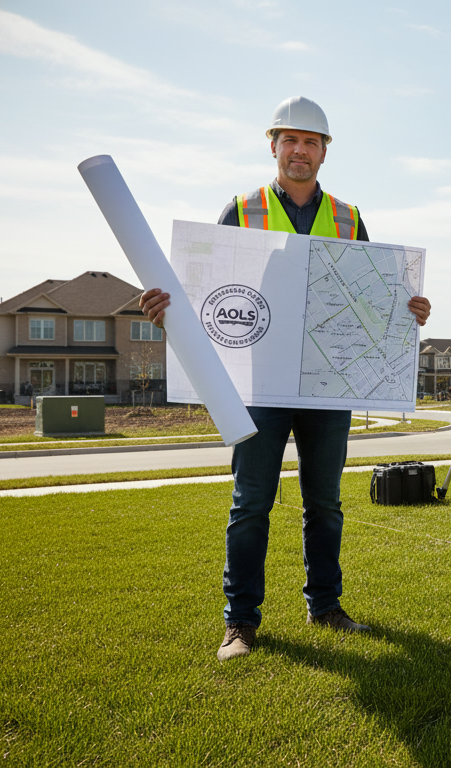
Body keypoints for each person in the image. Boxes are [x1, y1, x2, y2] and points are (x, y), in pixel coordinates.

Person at [139, 96, 431, 661]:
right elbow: (207, 288)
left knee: (324, 503)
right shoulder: (241, 209)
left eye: (311, 142)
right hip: (257, 386)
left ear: (324, 152)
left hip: (328, 384)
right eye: (290, 140)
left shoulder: (348, 217)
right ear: (273, 145)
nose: (300, 151)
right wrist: (165, 304)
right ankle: (240, 623)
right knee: (251, 502)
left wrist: (409, 309)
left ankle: (325, 605)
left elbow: (367, 293)